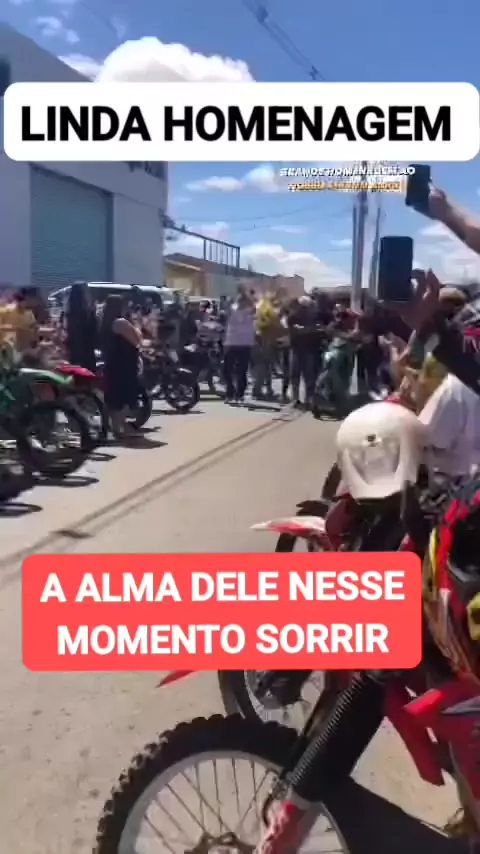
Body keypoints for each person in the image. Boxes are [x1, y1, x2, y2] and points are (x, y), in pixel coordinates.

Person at [99, 295, 143, 440]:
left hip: (113, 363)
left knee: (115, 397)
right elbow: (137, 339)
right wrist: (136, 324)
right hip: (124, 364)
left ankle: (118, 428)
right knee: (124, 397)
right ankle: (119, 429)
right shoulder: (121, 322)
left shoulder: (106, 322)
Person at [223, 287, 256, 404]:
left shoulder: (250, 312)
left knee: (241, 371)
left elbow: (253, 312)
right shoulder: (233, 309)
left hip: (244, 343)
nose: (240, 301)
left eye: (243, 300)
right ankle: (230, 392)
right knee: (226, 370)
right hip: (231, 342)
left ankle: (239, 395)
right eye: (239, 299)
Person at [64, 281, 97, 372]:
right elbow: (94, 336)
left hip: (73, 355)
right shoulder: (88, 314)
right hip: (87, 356)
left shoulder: (69, 314)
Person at [0, 288, 37, 353]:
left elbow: (34, 328)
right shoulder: (6, 311)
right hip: (7, 348)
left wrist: (34, 340)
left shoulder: (29, 314)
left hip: (24, 348)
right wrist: (16, 329)